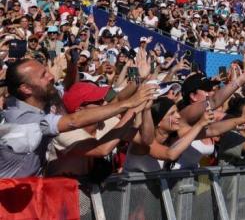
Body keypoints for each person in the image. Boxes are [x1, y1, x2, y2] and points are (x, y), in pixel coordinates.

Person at [0, 58, 156, 177]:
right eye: (43, 75)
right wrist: (132, 104)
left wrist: (137, 79)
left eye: (47, 71)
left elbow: (114, 102)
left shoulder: (43, 100)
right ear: (26, 89)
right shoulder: (24, 120)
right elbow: (75, 121)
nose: (52, 76)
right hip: (10, 202)